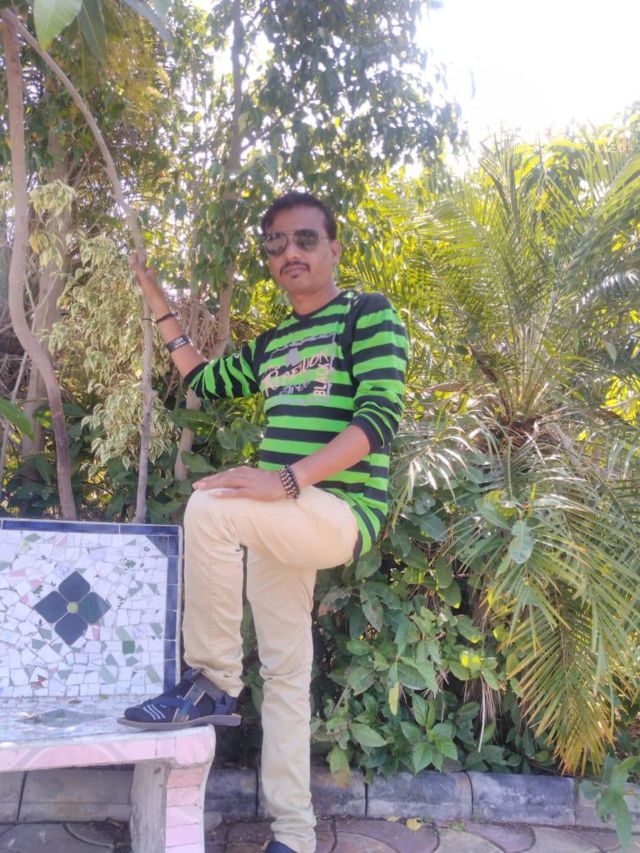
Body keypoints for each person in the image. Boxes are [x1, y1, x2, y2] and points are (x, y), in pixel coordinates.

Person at [121, 191, 408, 853]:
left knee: (211, 507)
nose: (290, 252)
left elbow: (379, 419)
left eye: (305, 238)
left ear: (333, 249)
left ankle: (214, 680)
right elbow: (202, 378)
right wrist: (159, 302)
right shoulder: (276, 343)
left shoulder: (366, 314)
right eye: (276, 243)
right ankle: (295, 836)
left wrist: (284, 480)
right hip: (285, 516)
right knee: (285, 673)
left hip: (338, 510)